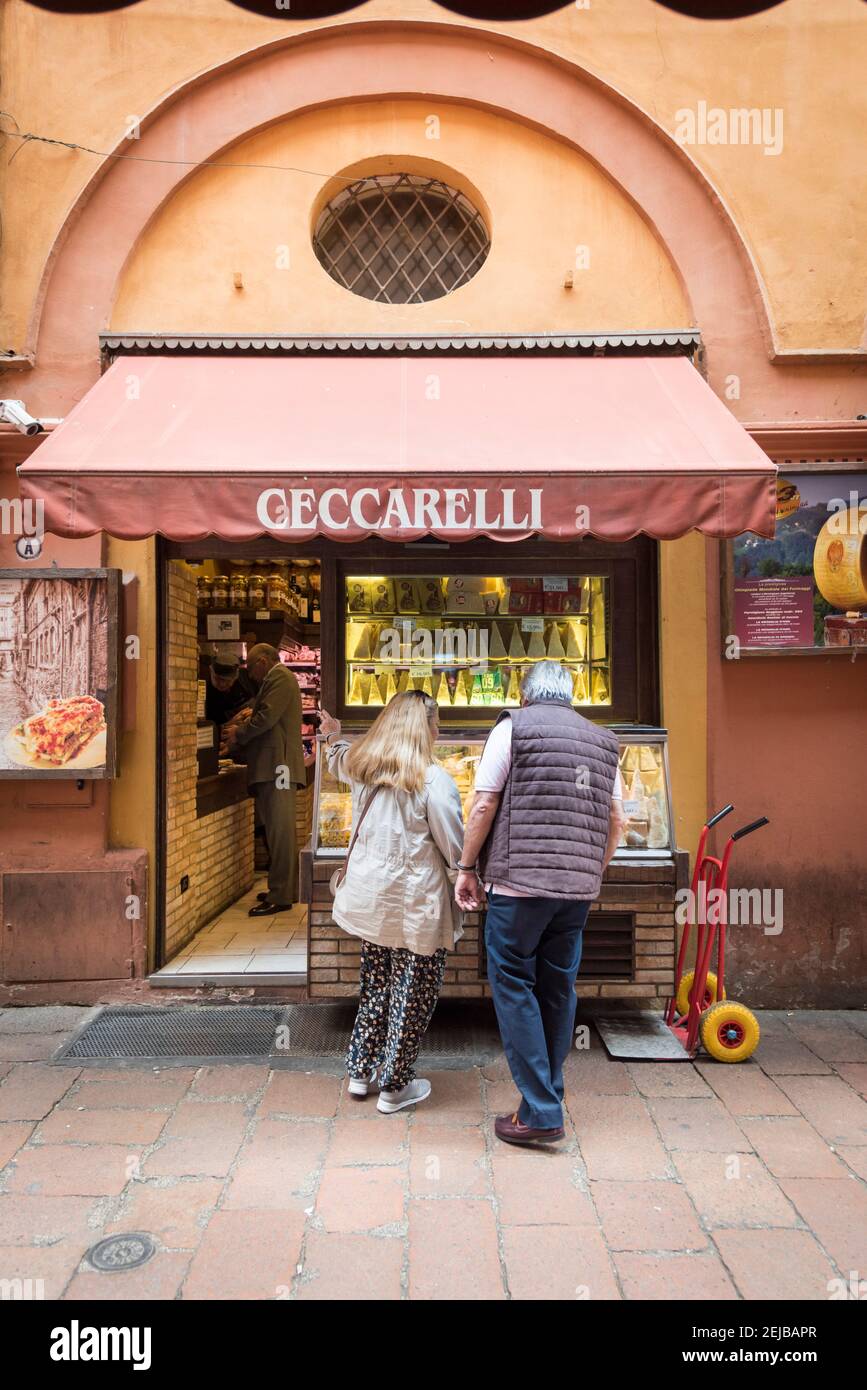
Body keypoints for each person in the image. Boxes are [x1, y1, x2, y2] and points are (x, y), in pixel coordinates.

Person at [455, 660, 626, 1147]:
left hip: (518, 887)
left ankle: (542, 1112)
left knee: (513, 984)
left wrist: (466, 867)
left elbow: (483, 803)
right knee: (557, 989)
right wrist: (593, 870)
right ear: (571, 696)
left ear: (524, 695)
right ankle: (545, 1097)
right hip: (575, 892)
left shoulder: (512, 727)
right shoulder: (604, 740)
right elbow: (618, 821)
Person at [318, 691, 464, 1114]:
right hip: (416, 906)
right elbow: (453, 847)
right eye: (436, 726)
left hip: (373, 901)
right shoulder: (433, 781)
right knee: (412, 994)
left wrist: (332, 736)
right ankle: (395, 1087)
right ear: (425, 730)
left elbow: (337, 758)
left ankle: (361, 1071)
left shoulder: (365, 767)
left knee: (376, 986)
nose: (439, 734)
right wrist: (465, 878)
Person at [225, 643, 305, 916]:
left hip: (278, 765)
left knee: (279, 831)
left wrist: (239, 733)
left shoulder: (279, 677)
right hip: (276, 765)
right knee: (278, 830)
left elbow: (266, 717)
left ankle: (281, 895)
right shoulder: (278, 678)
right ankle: (285, 888)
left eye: (251, 669)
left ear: (262, 661)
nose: (250, 675)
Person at [205, 650, 255, 729]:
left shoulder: (247, 678)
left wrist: (255, 711)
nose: (222, 684)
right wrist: (228, 724)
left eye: (228, 680)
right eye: (217, 679)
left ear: (236, 676)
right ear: (210, 670)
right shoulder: (204, 692)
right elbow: (206, 729)